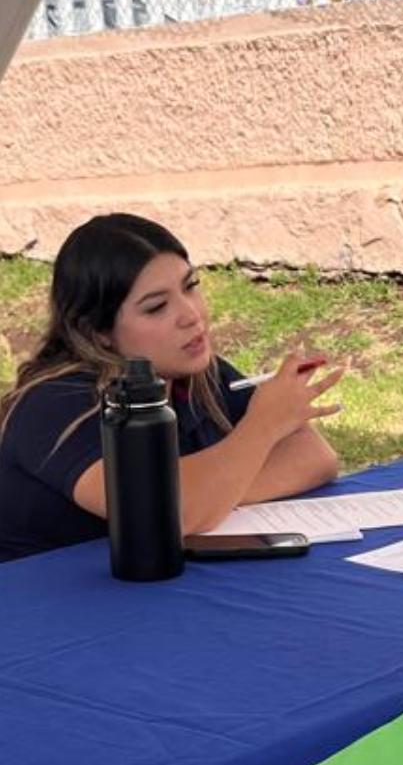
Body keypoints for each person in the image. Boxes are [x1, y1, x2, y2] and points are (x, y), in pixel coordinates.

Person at [0, 213, 342, 563]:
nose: (191, 315)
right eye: (157, 307)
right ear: (96, 331)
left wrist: (212, 496)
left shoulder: (195, 374)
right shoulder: (54, 404)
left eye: (190, 286)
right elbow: (162, 514)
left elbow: (315, 459)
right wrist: (262, 427)